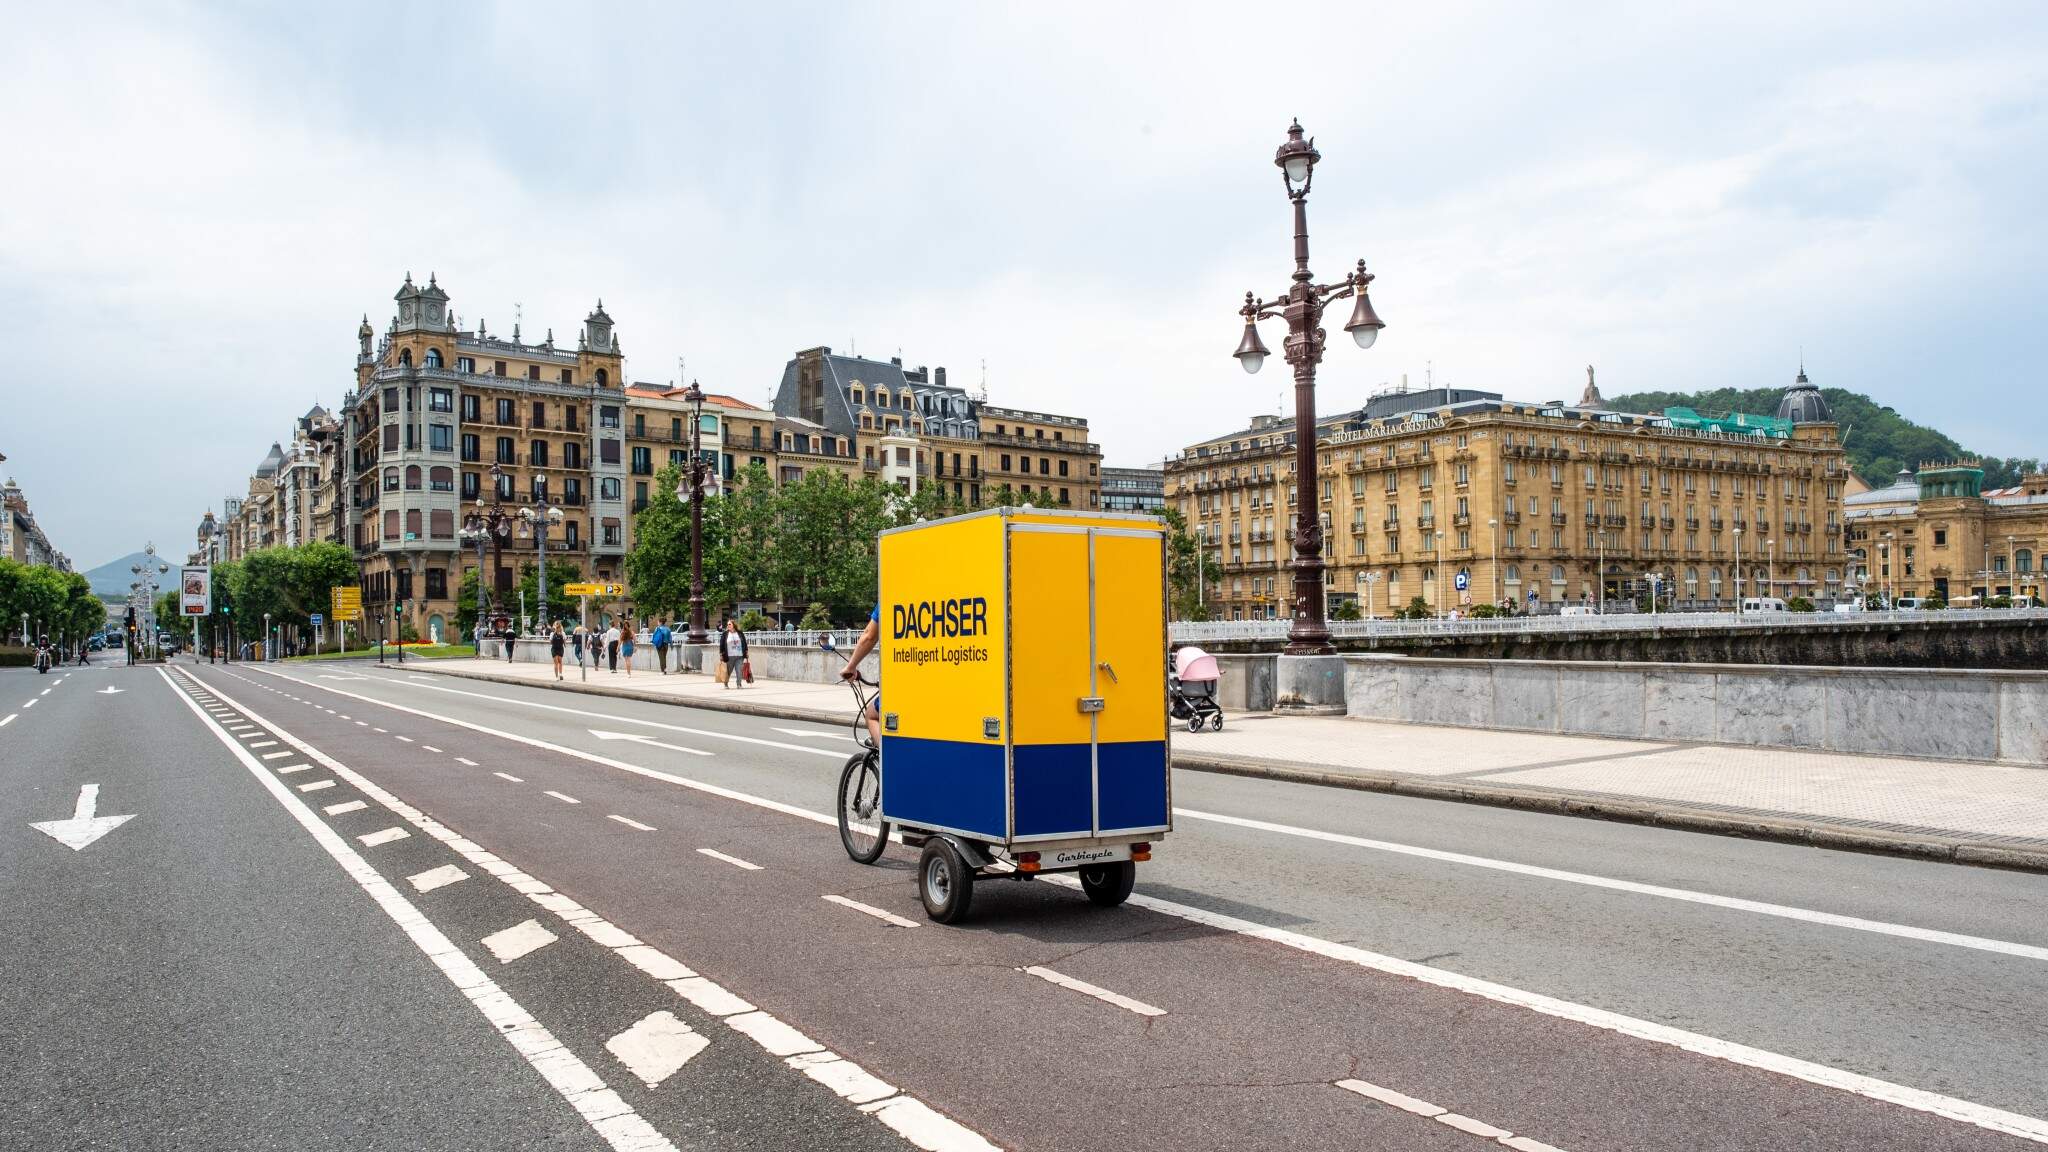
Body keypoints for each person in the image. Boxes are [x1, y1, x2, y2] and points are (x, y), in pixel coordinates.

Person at [840, 605, 881, 746]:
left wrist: (850, 667)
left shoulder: (889, 594)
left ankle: (887, 760)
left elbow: (869, 636)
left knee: (871, 715)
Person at [719, 617, 748, 688]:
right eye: (727, 624)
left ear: (733, 625)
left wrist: (746, 651)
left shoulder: (740, 633)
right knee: (728, 671)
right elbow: (722, 644)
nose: (728, 626)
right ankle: (726, 683)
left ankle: (739, 684)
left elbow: (744, 642)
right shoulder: (725, 634)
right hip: (729, 656)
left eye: (729, 624)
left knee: (739, 671)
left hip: (739, 655)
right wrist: (721, 654)